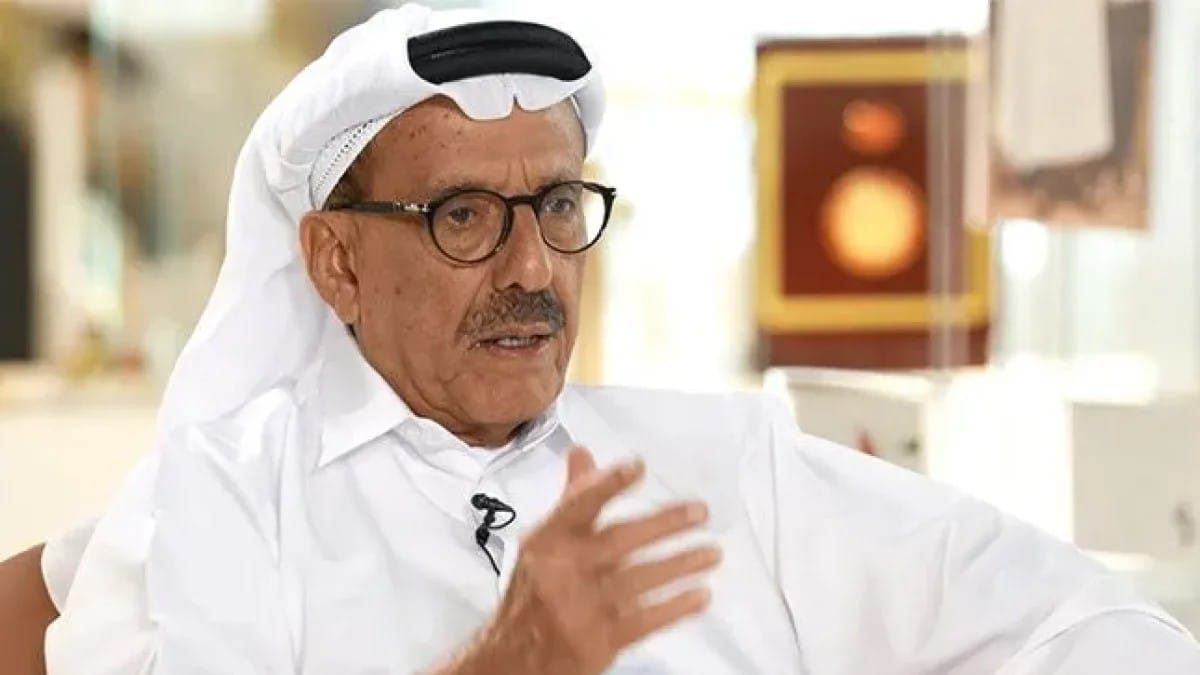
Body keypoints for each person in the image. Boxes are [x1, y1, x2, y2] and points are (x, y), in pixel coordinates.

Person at [13, 5, 1200, 674]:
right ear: (335, 261)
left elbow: (1084, 624)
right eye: (464, 217)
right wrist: (510, 662)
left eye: (557, 206)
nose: (533, 268)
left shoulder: (725, 466)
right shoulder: (228, 497)